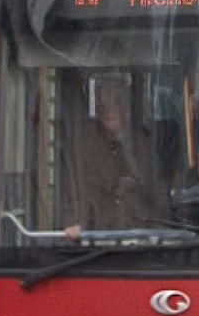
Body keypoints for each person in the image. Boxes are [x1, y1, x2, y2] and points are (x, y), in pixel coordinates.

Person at [63, 79, 151, 240]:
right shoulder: (84, 147)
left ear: (126, 108)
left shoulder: (143, 145)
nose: (108, 110)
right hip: (95, 239)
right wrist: (72, 225)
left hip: (143, 239)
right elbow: (73, 194)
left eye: (115, 103)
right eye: (102, 105)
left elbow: (157, 195)